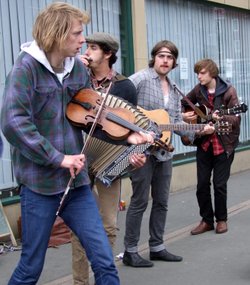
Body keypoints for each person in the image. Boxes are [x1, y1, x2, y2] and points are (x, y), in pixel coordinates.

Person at [0, 3, 154, 285]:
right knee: (30, 268)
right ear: (57, 34)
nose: (83, 40)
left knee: (105, 261)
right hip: (39, 185)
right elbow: (13, 122)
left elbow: (93, 118)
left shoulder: (77, 70)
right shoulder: (26, 68)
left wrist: (129, 137)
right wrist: (58, 158)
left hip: (76, 184)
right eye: (77, 33)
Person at [122, 40, 215, 267]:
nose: (165, 60)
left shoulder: (174, 89)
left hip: (164, 153)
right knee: (139, 201)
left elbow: (173, 122)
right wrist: (136, 129)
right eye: (161, 56)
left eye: (170, 57)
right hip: (141, 151)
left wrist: (199, 130)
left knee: (162, 201)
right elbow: (120, 104)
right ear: (154, 58)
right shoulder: (140, 79)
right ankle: (130, 251)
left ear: (174, 62)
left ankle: (157, 246)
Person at [71, 32, 146, 285]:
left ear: (108, 53)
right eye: (87, 47)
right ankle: (79, 282)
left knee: (108, 225)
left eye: (93, 48)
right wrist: (73, 73)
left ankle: (104, 278)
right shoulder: (77, 79)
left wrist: (134, 156)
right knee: (78, 228)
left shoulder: (125, 86)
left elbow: (131, 131)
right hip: (79, 160)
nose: (87, 51)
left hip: (108, 163)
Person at [181, 58, 241, 235]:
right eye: (197, 73)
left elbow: (236, 120)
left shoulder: (229, 91)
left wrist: (218, 119)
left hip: (224, 144)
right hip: (204, 144)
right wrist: (190, 117)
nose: (199, 76)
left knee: (219, 184)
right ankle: (206, 220)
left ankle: (221, 220)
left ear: (212, 73)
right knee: (201, 185)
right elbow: (185, 102)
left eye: (202, 73)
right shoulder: (199, 90)